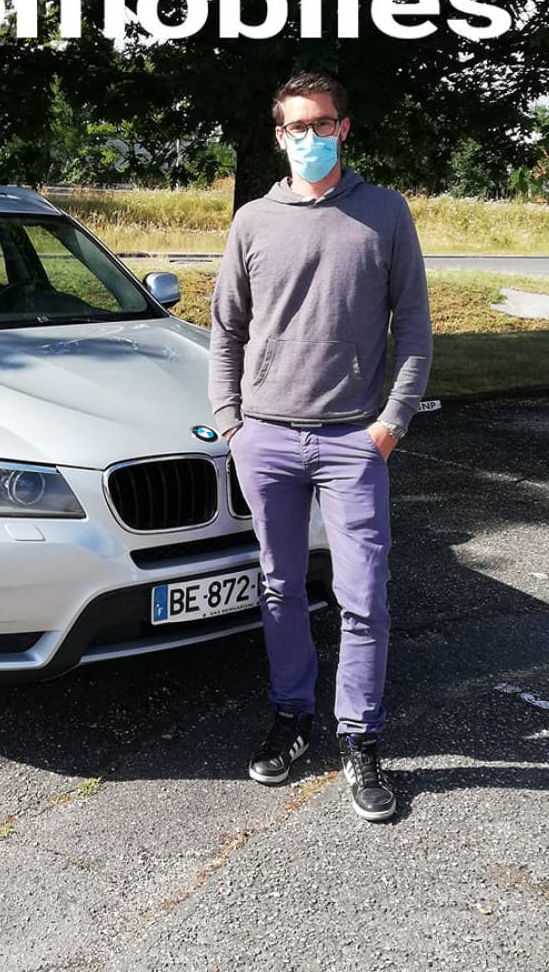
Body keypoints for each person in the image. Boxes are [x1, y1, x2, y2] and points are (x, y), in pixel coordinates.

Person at [207, 70, 433, 822]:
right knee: (279, 587)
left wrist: (390, 424)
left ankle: (360, 738)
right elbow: (227, 331)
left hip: (351, 441)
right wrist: (232, 423)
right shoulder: (253, 221)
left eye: (323, 124)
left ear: (345, 128)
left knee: (363, 595)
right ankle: (292, 715)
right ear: (280, 136)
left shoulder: (384, 213)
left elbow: (415, 329)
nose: (310, 137)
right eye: (296, 127)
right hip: (266, 438)